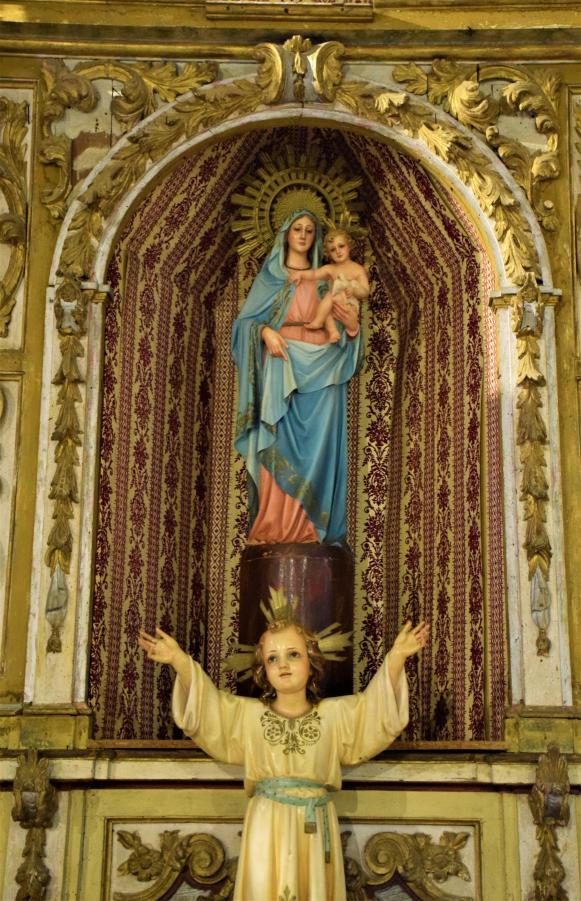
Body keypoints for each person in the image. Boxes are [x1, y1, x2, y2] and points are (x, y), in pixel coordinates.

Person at [138, 617, 429, 900]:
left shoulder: (335, 715)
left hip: (315, 823)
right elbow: (206, 709)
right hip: (267, 821)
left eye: (293, 654)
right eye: (272, 658)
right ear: (263, 669)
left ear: (311, 660)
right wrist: (179, 661)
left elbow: (377, 712)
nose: (283, 665)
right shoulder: (247, 715)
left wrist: (396, 658)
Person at [231, 211, 363, 546]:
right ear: (285, 234)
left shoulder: (326, 279)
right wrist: (265, 332)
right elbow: (243, 327)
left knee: (320, 448)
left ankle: (314, 531)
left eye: (310, 230)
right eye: (297, 229)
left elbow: (347, 331)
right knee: (277, 439)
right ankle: (273, 526)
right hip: (282, 363)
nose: (303, 235)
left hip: (324, 370)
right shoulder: (272, 277)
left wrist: (352, 328)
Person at [288, 228, 369, 345]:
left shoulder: (358, 269)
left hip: (349, 305)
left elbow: (365, 291)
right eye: (332, 249)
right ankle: (332, 331)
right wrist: (301, 274)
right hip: (333, 304)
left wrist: (354, 290)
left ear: (349, 246)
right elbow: (314, 274)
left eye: (341, 246)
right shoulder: (330, 269)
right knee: (326, 305)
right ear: (328, 253)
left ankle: (319, 321)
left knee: (329, 296)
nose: (338, 251)